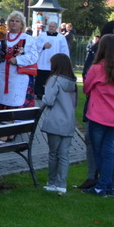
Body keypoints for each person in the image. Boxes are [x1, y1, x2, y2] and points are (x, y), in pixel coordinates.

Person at [78, 21, 114, 191]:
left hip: (98, 116)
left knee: (98, 151)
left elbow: (86, 88)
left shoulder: (96, 69)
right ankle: (107, 185)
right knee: (109, 152)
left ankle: (103, 185)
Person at [39, 54, 77, 195]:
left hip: (55, 121)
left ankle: (52, 182)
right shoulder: (73, 83)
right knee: (64, 154)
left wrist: (43, 97)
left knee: (53, 154)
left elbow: (49, 100)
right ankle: (62, 184)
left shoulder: (54, 79)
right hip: (69, 121)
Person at [0, 11, 39, 110]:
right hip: (2, 74)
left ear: (22, 24)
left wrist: (18, 60)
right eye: (12, 21)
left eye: (17, 21)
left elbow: (33, 56)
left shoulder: (27, 39)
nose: (14, 23)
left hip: (18, 75)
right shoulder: (2, 37)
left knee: (16, 100)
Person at [34, 19, 70, 101]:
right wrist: (43, 45)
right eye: (50, 26)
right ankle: (39, 93)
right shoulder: (42, 35)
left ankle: (52, 94)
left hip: (55, 63)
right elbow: (35, 45)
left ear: (56, 27)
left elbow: (64, 50)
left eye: (53, 26)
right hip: (42, 62)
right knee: (41, 78)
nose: (51, 28)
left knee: (52, 80)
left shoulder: (61, 38)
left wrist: (64, 61)